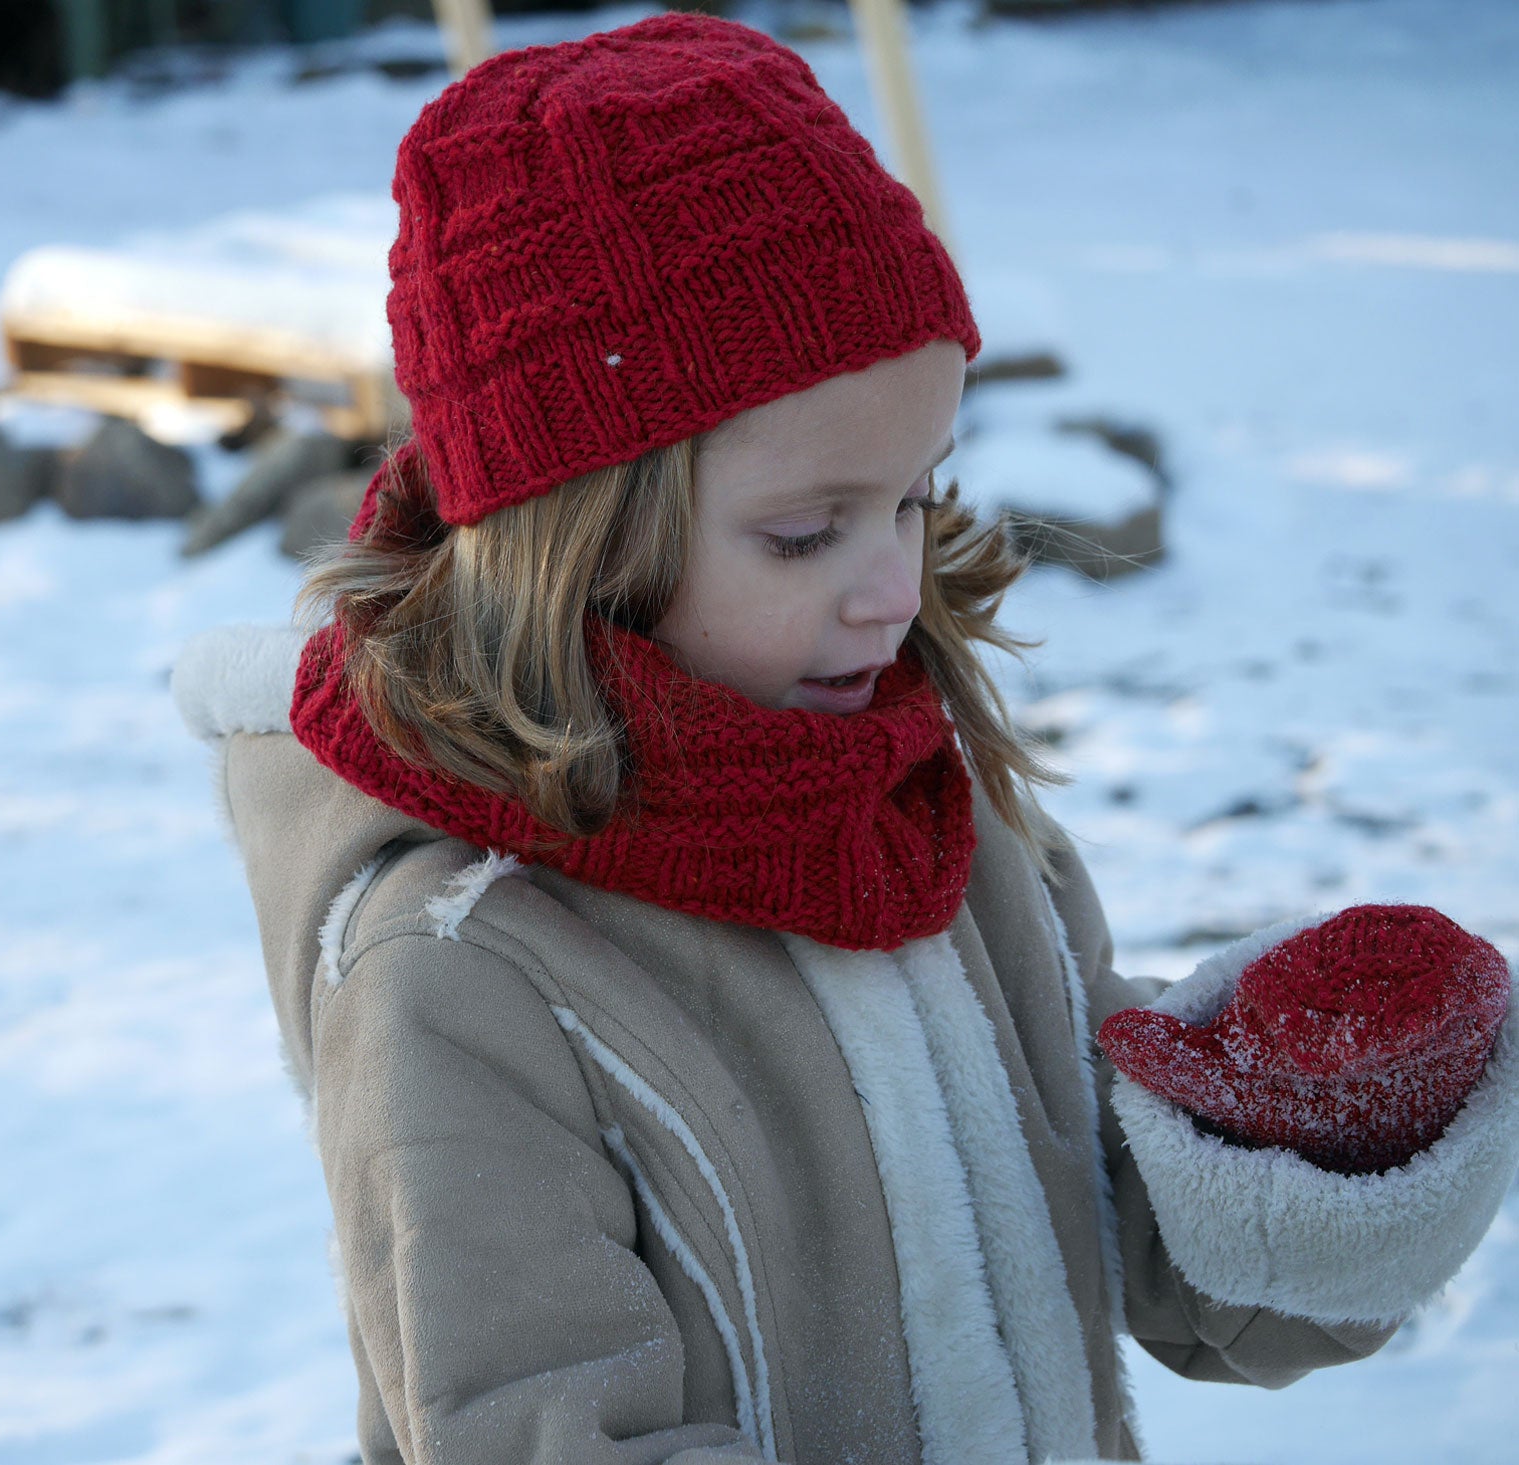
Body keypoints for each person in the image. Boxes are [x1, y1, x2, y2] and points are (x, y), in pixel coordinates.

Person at [171, 14, 1519, 1464]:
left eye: (915, 500)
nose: (893, 587)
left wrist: (1298, 1141)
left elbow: (1129, 1243)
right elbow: (532, 1429)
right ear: (581, 544)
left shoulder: (927, 813)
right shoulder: (459, 972)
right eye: (809, 531)